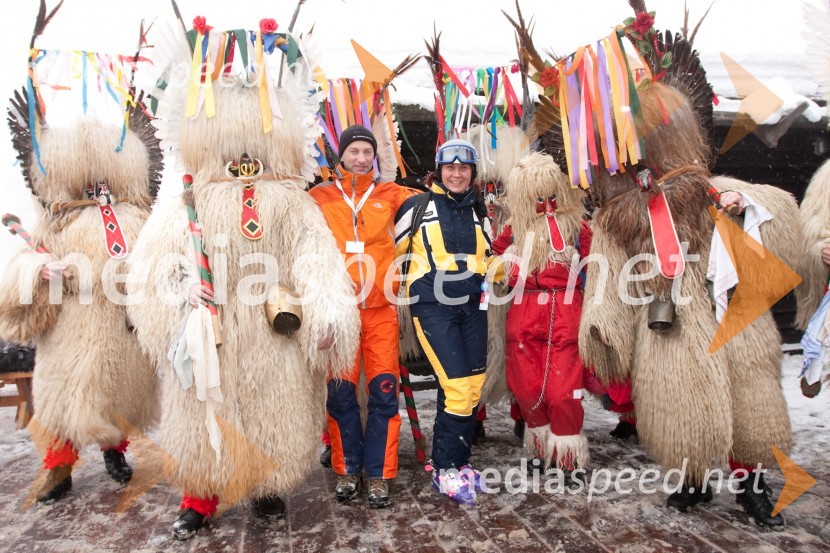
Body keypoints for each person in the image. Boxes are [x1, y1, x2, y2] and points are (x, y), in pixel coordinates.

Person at [126, 19, 360, 540]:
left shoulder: (292, 201)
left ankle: (266, 486)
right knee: (205, 410)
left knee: (273, 408)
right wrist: (180, 290)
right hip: (210, 330)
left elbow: (315, 258)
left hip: (275, 329)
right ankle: (200, 497)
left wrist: (327, 313)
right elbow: (153, 265)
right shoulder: (190, 201)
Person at [309, 124, 419, 508]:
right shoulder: (319, 197)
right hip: (339, 313)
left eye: (367, 152)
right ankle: (346, 468)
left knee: (384, 393)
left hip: (381, 311)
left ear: (375, 156)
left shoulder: (392, 193)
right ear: (341, 155)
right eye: (354, 151)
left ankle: (379, 474)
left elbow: (433, 203)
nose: (360, 158)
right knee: (341, 396)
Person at [394, 138, 494, 505]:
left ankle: (459, 462)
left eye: (463, 168)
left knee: (472, 388)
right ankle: (445, 468)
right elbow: (391, 255)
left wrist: (504, 270)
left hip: (473, 307)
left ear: (472, 173)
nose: (456, 174)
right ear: (439, 170)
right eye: (450, 168)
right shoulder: (416, 207)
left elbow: (488, 257)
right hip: (433, 307)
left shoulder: (479, 210)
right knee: (457, 387)